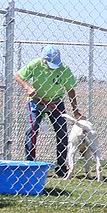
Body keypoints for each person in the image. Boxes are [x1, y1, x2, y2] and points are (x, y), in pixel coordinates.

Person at [14, 46, 83, 177]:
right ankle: (30, 165)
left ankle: (61, 168)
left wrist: (75, 110)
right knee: (32, 130)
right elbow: (18, 76)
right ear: (43, 60)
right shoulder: (35, 65)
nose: (53, 67)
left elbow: (70, 90)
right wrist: (27, 87)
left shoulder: (63, 69)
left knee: (62, 133)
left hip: (55, 103)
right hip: (35, 102)